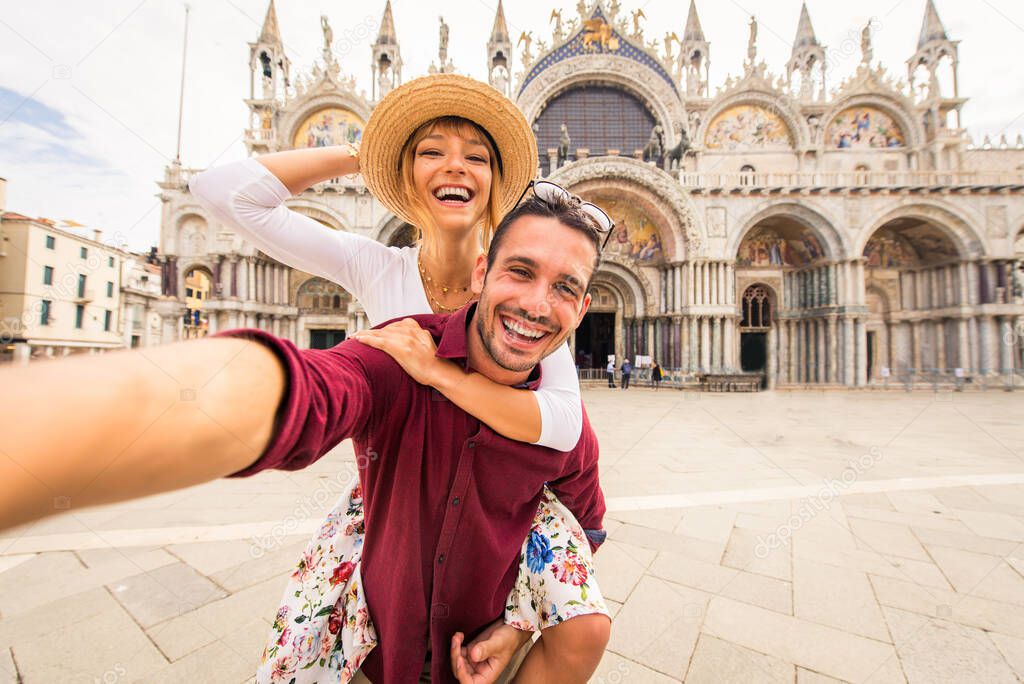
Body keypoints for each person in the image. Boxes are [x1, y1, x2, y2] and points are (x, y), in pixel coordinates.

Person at [0, 193, 611, 683]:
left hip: (491, 648)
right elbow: (312, 391)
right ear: (481, 273)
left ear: (583, 310)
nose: (535, 304)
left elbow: (587, 526)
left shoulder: (564, 425)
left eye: (563, 287)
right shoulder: (402, 351)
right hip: (371, 646)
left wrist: (522, 624)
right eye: (520, 271)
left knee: (588, 627)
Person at [186, 73, 610, 682]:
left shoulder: (526, 287)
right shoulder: (373, 264)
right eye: (430, 152)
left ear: (496, 183)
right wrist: (368, 153)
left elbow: (565, 422)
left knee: (581, 627)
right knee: (309, 654)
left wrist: (438, 374)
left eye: (476, 158)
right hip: (400, 486)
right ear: (409, 174)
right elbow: (223, 193)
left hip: (498, 490)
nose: (454, 168)